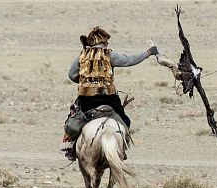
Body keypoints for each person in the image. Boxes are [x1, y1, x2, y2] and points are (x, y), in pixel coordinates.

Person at [61, 26, 157, 161]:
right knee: (125, 121)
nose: (107, 44)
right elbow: (129, 60)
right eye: (106, 42)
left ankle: (70, 149)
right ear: (103, 42)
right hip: (109, 98)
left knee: (72, 122)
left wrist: (86, 81)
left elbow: (71, 75)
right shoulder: (109, 54)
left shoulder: (81, 55)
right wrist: (148, 52)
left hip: (86, 99)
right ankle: (122, 149)